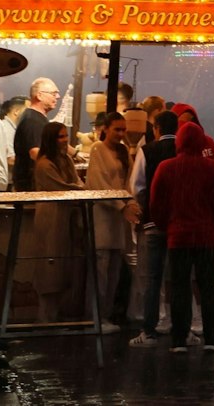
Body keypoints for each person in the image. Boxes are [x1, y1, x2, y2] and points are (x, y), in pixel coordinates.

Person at [150, 121, 214, 354]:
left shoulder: (166, 168)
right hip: (205, 237)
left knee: (179, 286)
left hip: (178, 237)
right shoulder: (213, 168)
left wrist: (167, 226)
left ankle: (179, 339)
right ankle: (211, 337)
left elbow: (157, 204)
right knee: (207, 286)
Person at [129, 110, 180, 346]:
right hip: (180, 223)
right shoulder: (184, 150)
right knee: (178, 277)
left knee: (153, 279)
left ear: (157, 128)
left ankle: (148, 331)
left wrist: (142, 210)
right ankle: (181, 328)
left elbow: (136, 185)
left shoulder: (147, 151)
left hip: (152, 222)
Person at [27, 119, 82, 323]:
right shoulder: (44, 164)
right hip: (51, 218)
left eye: (66, 135)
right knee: (50, 266)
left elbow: (75, 182)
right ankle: (45, 318)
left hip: (65, 216)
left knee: (62, 267)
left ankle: (55, 316)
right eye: (60, 136)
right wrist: (87, 190)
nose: (64, 140)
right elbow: (63, 187)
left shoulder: (65, 160)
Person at [88, 111, 136, 329]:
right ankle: (97, 316)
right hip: (103, 216)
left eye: (123, 129)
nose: (120, 133)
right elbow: (98, 184)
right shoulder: (97, 149)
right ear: (105, 128)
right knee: (101, 269)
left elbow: (129, 181)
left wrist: (130, 204)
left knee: (114, 269)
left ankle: (106, 314)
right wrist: (121, 205)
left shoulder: (124, 151)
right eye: (117, 129)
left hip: (119, 217)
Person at [13, 77, 59, 190]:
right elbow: (35, 152)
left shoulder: (38, 118)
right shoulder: (32, 120)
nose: (58, 97)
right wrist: (57, 167)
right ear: (39, 95)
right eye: (54, 93)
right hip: (31, 185)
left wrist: (75, 154)